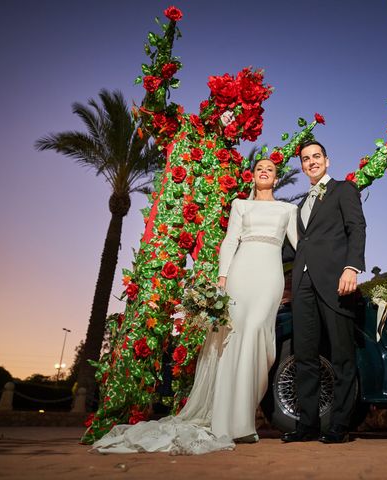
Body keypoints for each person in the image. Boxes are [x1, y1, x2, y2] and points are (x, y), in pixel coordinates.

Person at [92, 158, 298, 454]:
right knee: (233, 337)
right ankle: (235, 424)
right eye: (259, 169)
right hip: (240, 273)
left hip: (270, 276)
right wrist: (223, 280)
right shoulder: (240, 205)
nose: (265, 172)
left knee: (258, 337)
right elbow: (229, 242)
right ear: (253, 176)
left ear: (276, 179)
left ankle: (245, 412)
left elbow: (300, 245)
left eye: (270, 170)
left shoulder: (287, 210)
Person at [282, 140, 366, 444]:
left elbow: (356, 228)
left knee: (342, 355)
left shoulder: (344, 189)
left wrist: (351, 268)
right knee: (303, 355)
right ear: (302, 166)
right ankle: (307, 425)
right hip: (302, 286)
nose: (311, 162)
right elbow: (294, 247)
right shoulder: (301, 203)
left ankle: (340, 426)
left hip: (335, 281)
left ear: (327, 161)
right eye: (306, 159)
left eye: (316, 156)